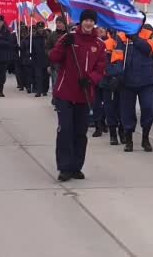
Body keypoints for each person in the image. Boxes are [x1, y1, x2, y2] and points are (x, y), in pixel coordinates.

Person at [49, 9, 106, 182]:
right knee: (65, 130)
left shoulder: (99, 44)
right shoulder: (69, 38)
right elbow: (53, 57)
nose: (88, 23)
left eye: (91, 21)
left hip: (84, 94)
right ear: (81, 21)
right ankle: (64, 167)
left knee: (80, 132)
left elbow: (100, 68)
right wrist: (63, 44)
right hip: (65, 93)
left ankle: (76, 166)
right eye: (86, 20)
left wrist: (90, 80)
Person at [115, 21, 153, 152]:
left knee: (148, 108)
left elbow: (148, 50)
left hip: (146, 80)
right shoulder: (121, 36)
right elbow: (117, 56)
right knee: (127, 111)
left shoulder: (148, 35)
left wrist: (134, 37)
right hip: (127, 81)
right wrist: (118, 73)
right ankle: (128, 139)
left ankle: (145, 138)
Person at [47, 16, 68, 105]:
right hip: (55, 64)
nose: (59, 24)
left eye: (61, 22)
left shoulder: (69, 35)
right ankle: (56, 100)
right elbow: (47, 49)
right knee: (55, 83)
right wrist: (51, 55)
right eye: (58, 22)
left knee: (65, 85)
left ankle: (63, 101)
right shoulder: (52, 35)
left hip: (67, 64)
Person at [31, 22, 49, 97]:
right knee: (38, 76)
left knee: (45, 76)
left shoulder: (47, 36)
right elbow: (31, 48)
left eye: (42, 28)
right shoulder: (34, 37)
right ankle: (38, 91)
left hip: (46, 59)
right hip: (37, 59)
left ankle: (44, 90)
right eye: (39, 28)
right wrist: (31, 55)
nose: (40, 29)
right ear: (37, 28)